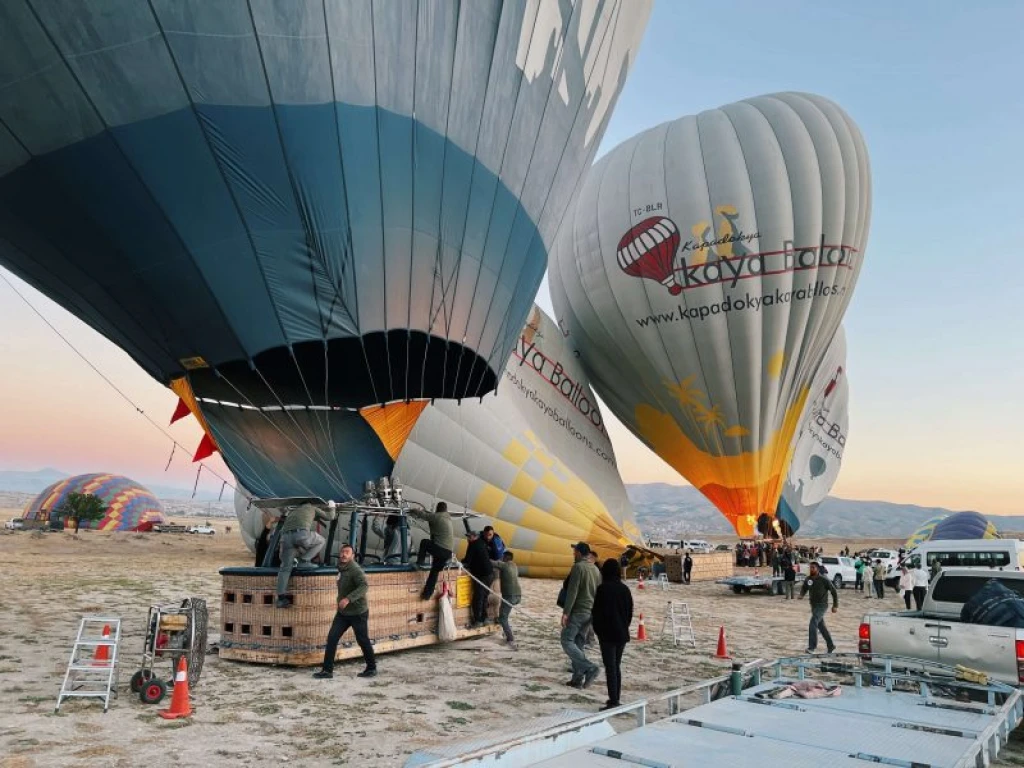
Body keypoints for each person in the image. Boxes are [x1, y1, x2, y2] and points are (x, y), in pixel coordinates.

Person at [313, 543, 377, 679]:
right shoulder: (341, 568)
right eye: (342, 552)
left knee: (362, 640)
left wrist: (348, 599)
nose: (343, 554)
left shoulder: (355, 570)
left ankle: (371, 668)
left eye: (347, 552)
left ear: (352, 556)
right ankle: (327, 671)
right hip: (343, 613)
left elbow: (364, 586)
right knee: (332, 638)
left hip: (358, 612)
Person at [276, 501, 335, 609]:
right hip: (301, 535)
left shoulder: (293, 511)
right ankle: (304, 561)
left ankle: (280, 598)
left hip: (285, 538)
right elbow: (330, 517)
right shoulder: (312, 508)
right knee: (321, 540)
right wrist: (332, 506)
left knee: (285, 568)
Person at [591, 558, 633, 710]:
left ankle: (613, 700)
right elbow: (629, 613)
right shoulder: (625, 590)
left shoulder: (603, 589)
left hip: (607, 635)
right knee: (616, 666)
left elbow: (596, 612)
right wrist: (623, 626)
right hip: (621, 634)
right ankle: (616, 697)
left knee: (610, 667)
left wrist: (598, 631)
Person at [561, 542, 601, 688]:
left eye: (574, 551)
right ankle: (577, 679)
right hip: (590, 612)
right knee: (578, 643)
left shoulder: (578, 568)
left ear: (578, 552)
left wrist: (566, 613)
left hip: (578, 611)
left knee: (566, 640)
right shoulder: (595, 570)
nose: (573, 554)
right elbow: (599, 593)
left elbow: (573, 592)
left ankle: (589, 667)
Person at [412, 502, 453, 601]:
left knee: (424, 542)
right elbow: (429, 516)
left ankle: (419, 563)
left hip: (441, 550)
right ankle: (427, 595)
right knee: (434, 572)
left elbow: (423, 515)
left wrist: (413, 510)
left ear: (437, 509)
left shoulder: (437, 517)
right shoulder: (448, 518)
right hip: (448, 553)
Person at [800, 561, 838, 654]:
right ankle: (831, 645)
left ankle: (812, 647)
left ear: (817, 569)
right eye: (810, 567)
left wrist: (835, 605)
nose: (811, 569)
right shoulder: (808, 579)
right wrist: (801, 595)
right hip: (813, 605)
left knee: (813, 623)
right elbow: (804, 587)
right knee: (821, 627)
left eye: (813, 568)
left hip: (822, 606)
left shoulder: (823, 579)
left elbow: (834, 591)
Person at [462, 530, 494, 627]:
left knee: (478, 598)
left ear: (474, 537)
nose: (467, 539)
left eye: (469, 537)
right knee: (484, 597)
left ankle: (478, 621)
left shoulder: (473, 545)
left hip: (482, 575)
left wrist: (460, 562)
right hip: (489, 574)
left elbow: (467, 560)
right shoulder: (481, 543)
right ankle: (485, 619)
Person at [491, 551, 521, 649]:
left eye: (503, 557)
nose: (501, 558)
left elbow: (492, 562)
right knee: (504, 614)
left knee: (503, 618)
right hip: (518, 595)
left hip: (510, 596)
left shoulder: (504, 565)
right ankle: (505, 633)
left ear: (505, 558)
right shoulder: (514, 565)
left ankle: (510, 639)